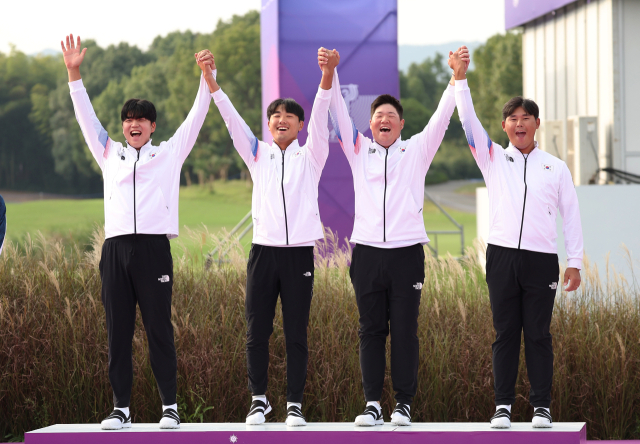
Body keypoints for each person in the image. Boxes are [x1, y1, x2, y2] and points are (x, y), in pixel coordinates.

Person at [62, 34, 218, 430]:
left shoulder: (168, 153)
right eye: (128, 119)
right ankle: (121, 408)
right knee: (117, 332)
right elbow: (85, 115)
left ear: (152, 126)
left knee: (159, 329)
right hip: (114, 252)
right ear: (123, 126)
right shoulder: (108, 152)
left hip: (152, 251)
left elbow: (196, 117)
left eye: (141, 119)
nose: (134, 124)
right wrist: (73, 71)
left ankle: (169, 406)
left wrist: (207, 76)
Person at [323, 47, 470, 427]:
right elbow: (338, 109)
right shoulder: (358, 150)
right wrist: (332, 72)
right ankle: (372, 403)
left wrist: (456, 76)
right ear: (370, 125)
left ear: (402, 124)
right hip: (368, 254)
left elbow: (441, 117)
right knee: (370, 330)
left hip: (407, 255)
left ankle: (402, 403)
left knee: (405, 329)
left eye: (390, 116)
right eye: (377, 116)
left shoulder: (417, 151)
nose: (383, 119)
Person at [204, 47, 339, 426]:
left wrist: (327, 75)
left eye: (289, 116)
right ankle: (259, 400)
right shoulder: (256, 154)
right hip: (262, 254)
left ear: (300, 126)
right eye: (275, 116)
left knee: (296, 332)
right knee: (256, 331)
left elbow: (323, 109)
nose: (281, 120)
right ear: (269, 125)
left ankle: (294, 403)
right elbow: (231, 120)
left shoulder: (311, 155)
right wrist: (212, 80)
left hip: (298, 255)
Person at [450, 48, 583, 429]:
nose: (519, 123)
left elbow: (570, 214)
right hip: (502, 257)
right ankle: (503, 406)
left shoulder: (554, 167)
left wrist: (574, 260)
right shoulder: (491, 157)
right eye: (513, 118)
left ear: (537, 124)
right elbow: (468, 120)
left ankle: (542, 406)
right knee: (505, 332)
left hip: (542, 260)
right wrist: (460, 78)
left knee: (539, 334)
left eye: (526, 118)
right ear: (505, 126)